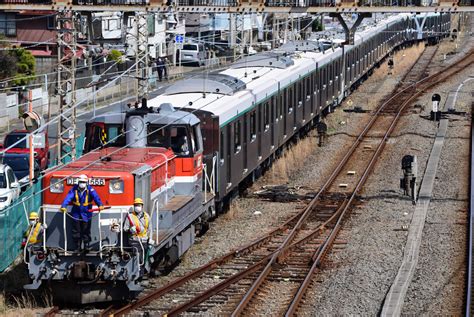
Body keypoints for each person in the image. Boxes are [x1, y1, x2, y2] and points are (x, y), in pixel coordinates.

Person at [60, 174, 104, 252]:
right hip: (76, 212)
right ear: (78, 182)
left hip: (86, 213)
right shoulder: (74, 189)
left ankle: (86, 246)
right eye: (80, 182)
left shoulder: (90, 190)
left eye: (83, 182)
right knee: (76, 230)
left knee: (86, 229)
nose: (82, 183)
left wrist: (100, 205)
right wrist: (64, 206)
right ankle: (77, 247)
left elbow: (96, 197)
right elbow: (68, 197)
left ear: (86, 182)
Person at [123, 198, 150, 271]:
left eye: (139, 205)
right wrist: (130, 229)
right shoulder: (130, 216)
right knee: (136, 257)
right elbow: (125, 228)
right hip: (134, 241)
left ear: (142, 206)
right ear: (134, 206)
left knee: (143, 258)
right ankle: (136, 273)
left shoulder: (146, 216)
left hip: (144, 241)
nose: (137, 206)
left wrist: (150, 239)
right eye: (136, 205)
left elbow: (149, 229)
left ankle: (141, 273)